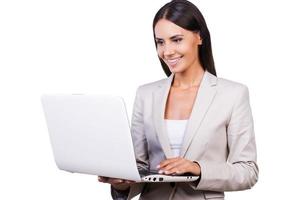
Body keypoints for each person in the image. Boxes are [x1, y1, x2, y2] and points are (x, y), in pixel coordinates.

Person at [98, 0, 258, 199]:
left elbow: (247, 171)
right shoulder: (146, 95)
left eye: (176, 39)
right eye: (160, 42)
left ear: (199, 37)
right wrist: (121, 184)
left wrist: (198, 168)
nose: (167, 51)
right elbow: (139, 168)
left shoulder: (232, 94)